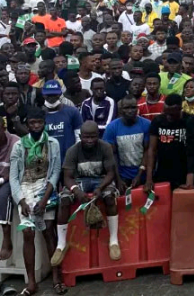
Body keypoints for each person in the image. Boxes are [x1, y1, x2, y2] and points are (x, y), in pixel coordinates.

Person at [9, 107, 64, 295]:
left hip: (45, 189)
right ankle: (31, 282)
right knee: (28, 234)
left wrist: (46, 197)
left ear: (44, 123)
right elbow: (14, 177)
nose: (36, 126)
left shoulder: (53, 143)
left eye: (39, 122)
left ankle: (57, 278)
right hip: (25, 189)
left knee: (49, 232)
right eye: (32, 123)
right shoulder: (19, 145)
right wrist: (21, 201)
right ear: (27, 124)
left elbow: (55, 172)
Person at [52, 121, 121, 269]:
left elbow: (110, 172)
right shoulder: (73, 150)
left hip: (100, 179)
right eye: (86, 137)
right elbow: (67, 177)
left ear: (98, 135)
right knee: (63, 199)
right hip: (79, 180)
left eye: (93, 137)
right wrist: (76, 191)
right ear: (80, 136)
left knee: (110, 197)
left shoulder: (105, 147)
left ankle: (113, 241)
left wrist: (101, 188)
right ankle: (61, 244)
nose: (89, 140)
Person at [103, 97, 151, 193]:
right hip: (122, 176)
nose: (130, 111)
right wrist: (118, 179)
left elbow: (148, 151)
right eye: (126, 108)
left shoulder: (146, 124)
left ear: (137, 108)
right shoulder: (112, 127)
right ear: (121, 110)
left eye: (133, 107)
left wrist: (140, 174)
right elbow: (112, 155)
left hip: (143, 174)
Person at [145, 94, 187, 190]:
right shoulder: (158, 121)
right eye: (166, 113)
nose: (169, 116)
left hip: (183, 170)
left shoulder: (188, 121)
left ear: (180, 108)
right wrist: (149, 178)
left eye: (172, 114)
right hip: (162, 169)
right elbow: (152, 149)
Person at [42, 80, 83, 165]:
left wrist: (76, 157)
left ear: (60, 94)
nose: (51, 98)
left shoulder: (72, 112)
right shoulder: (39, 115)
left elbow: (79, 137)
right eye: (48, 95)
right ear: (43, 95)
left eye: (54, 94)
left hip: (69, 160)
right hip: (47, 162)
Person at [0, 118, 20, 261]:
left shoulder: (15, 142)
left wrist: (2, 179)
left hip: (11, 179)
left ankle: (6, 239)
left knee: (3, 195)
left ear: (3, 128)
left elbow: (16, 170)